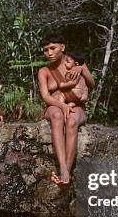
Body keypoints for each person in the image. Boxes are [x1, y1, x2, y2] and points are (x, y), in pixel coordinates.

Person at [38, 34, 95, 187]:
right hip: (54, 106)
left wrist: (81, 69)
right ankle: (63, 167)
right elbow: (45, 96)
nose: (49, 53)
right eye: (45, 50)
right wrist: (61, 105)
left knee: (72, 120)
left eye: (52, 48)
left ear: (62, 47)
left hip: (76, 106)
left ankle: (66, 174)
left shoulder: (77, 63)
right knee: (57, 115)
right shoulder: (44, 71)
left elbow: (92, 84)